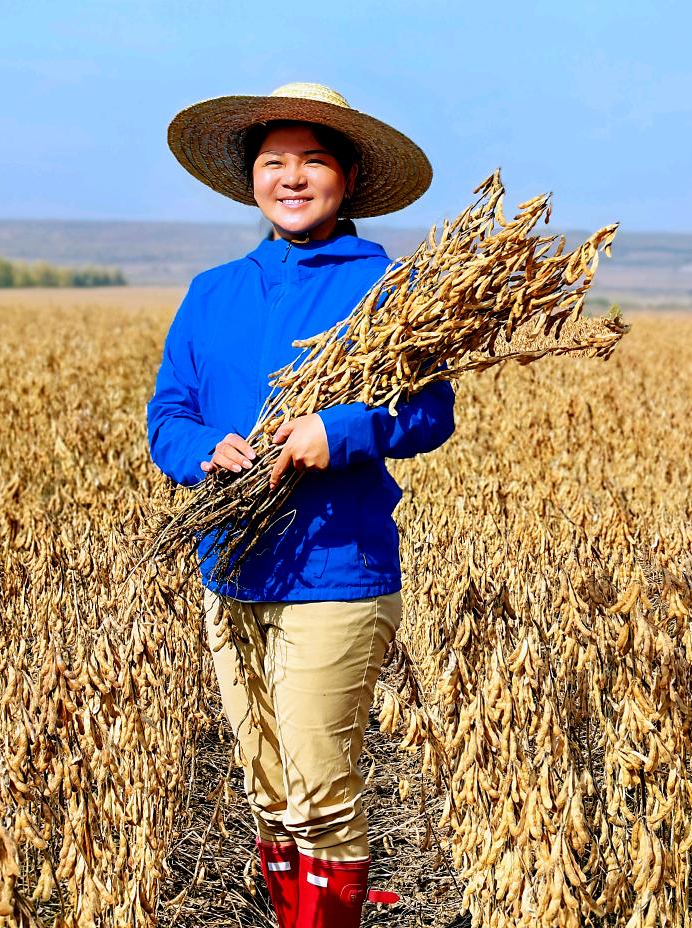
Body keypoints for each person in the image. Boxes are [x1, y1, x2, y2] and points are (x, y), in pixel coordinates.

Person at [148, 83, 455, 928]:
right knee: (269, 786)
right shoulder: (213, 291)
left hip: (338, 568)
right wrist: (205, 449)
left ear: (349, 177)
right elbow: (168, 415)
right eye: (274, 162)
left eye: (313, 161)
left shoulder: (393, 288)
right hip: (231, 570)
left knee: (319, 793)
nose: (292, 177)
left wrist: (344, 430)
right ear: (250, 179)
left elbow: (431, 414)